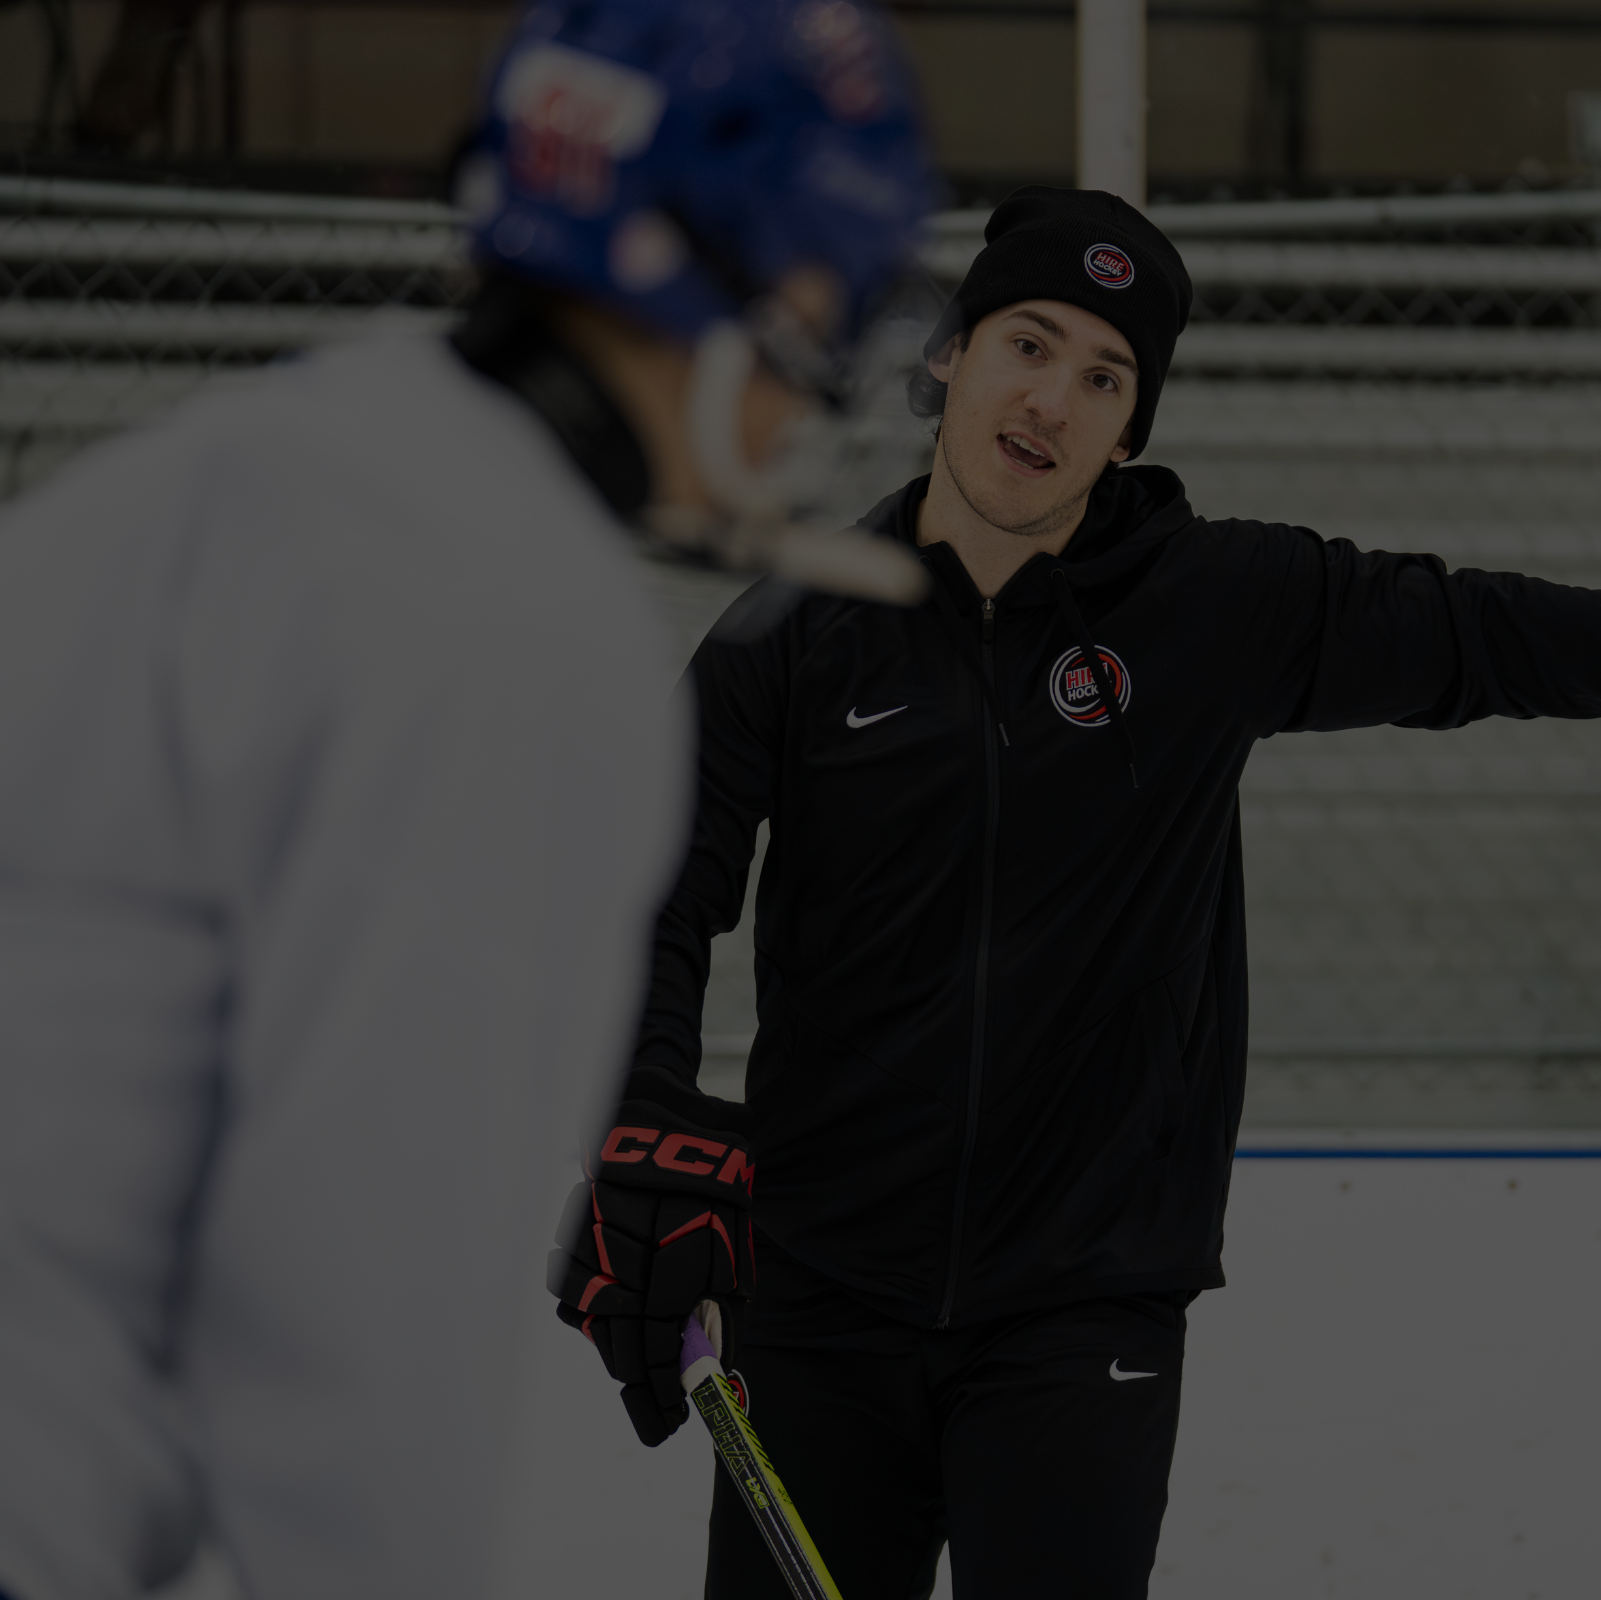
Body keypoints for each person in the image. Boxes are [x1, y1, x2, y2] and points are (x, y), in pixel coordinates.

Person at [548, 190, 1601, 1597]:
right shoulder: (796, 632)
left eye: (1105, 376)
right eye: (1029, 345)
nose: (1052, 399)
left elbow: (1494, 635)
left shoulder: (1212, 608)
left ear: (1131, 427)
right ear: (953, 357)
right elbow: (651, 888)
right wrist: (645, 1111)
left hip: (1080, 1317)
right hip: (818, 1315)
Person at [0, 3, 930, 1597]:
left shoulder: (269, 454)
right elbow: (354, 1331)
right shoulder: (512, 626)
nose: (822, 389)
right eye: (835, 311)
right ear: (761, 279)